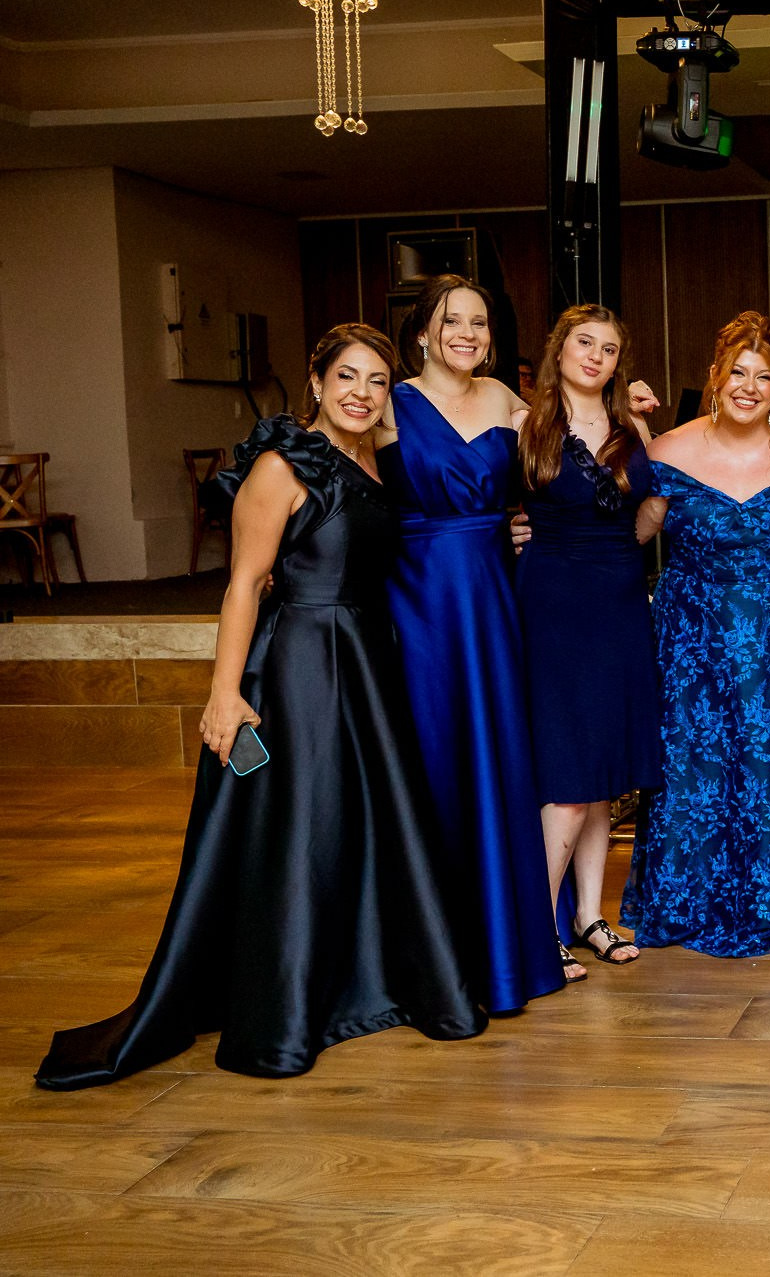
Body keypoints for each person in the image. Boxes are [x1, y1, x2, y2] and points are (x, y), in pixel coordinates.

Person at [37, 326, 486, 1088]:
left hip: (368, 660)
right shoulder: (281, 466)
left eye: (378, 381)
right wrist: (223, 693)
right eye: (346, 376)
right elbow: (244, 583)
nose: (361, 393)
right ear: (314, 381)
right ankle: (287, 1006)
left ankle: (368, 985)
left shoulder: (370, 456)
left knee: (367, 820)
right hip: (302, 665)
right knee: (308, 825)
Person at [378, 274, 565, 1011]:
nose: (468, 333)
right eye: (452, 321)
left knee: (495, 757)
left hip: (490, 599)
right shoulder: (387, 402)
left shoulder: (507, 403)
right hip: (416, 600)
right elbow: (344, 478)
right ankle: (432, 952)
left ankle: (504, 953)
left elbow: (575, 448)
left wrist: (635, 415)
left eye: (480, 323)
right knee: (431, 759)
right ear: (422, 331)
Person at [626, 311, 770, 957]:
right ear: (715, 377)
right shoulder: (668, 451)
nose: (749, 385)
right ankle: (689, 897)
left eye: (763, 376)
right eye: (737, 372)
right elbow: (633, 534)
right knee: (696, 766)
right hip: (695, 639)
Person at [515, 305, 663, 979]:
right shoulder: (525, 424)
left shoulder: (631, 427)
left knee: (603, 773)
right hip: (556, 603)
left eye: (609, 347)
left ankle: (589, 914)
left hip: (620, 601)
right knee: (570, 777)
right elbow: (483, 505)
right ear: (560, 349)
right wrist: (515, 533)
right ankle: (534, 930)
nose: (596, 356)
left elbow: (648, 515)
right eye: (585, 343)